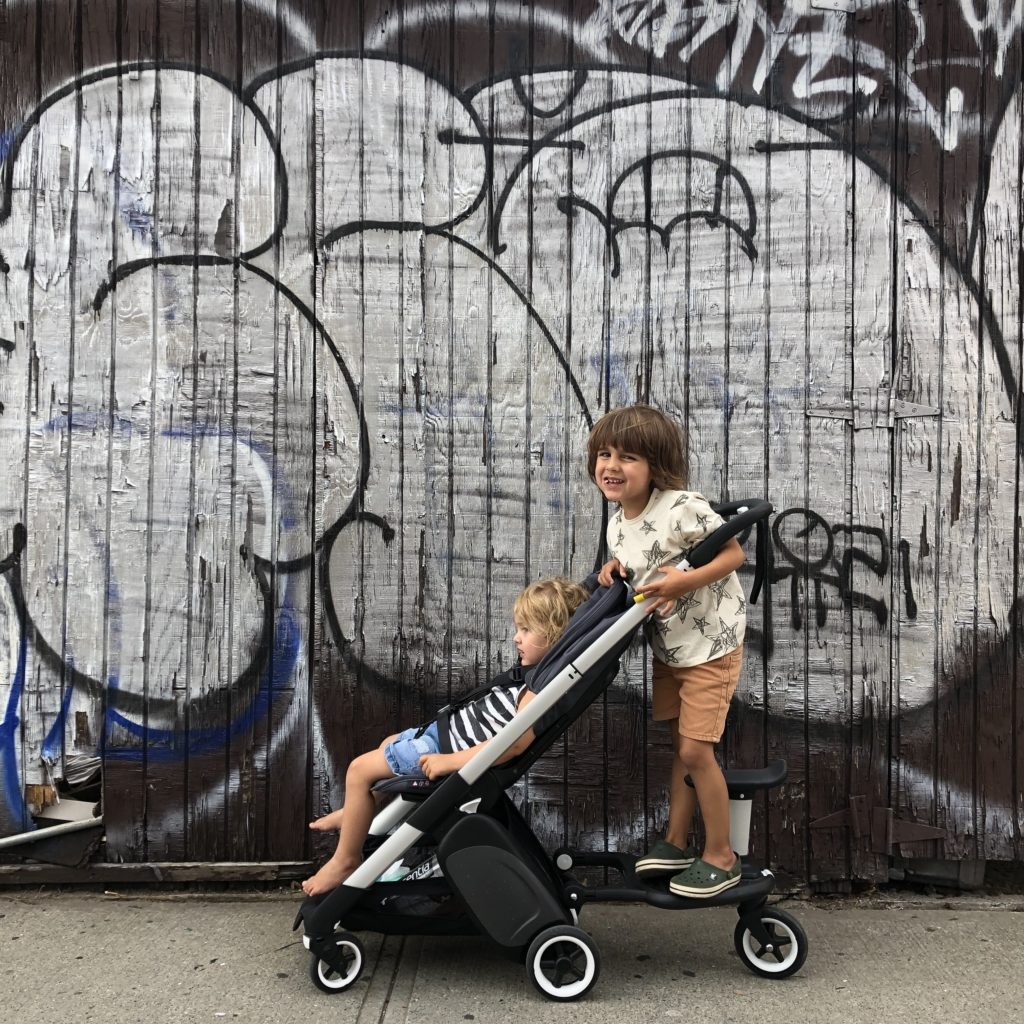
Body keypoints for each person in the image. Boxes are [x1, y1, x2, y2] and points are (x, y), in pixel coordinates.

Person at [301, 576, 589, 896]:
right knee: (386, 749)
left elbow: (512, 745)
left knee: (358, 770)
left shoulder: (538, 691)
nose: (516, 637)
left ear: (555, 635)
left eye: (526, 630)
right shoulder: (532, 678)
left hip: (443, 748)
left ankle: (345, 860)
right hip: (440, 737)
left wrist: (449, 762)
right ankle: (355, 811)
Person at [590, 404, 746, 898]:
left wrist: (684, 581)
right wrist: (613, 569)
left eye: (628, 456)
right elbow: (635, 555)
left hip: (711, 644)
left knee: (695, 750)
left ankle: (721, 855)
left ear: (655, 467)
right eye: (605, 454)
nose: (611, 465)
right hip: (672, 647)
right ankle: (676, 842)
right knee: (681, 746)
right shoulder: (618, 522)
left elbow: (733, 552)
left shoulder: (681, 506)